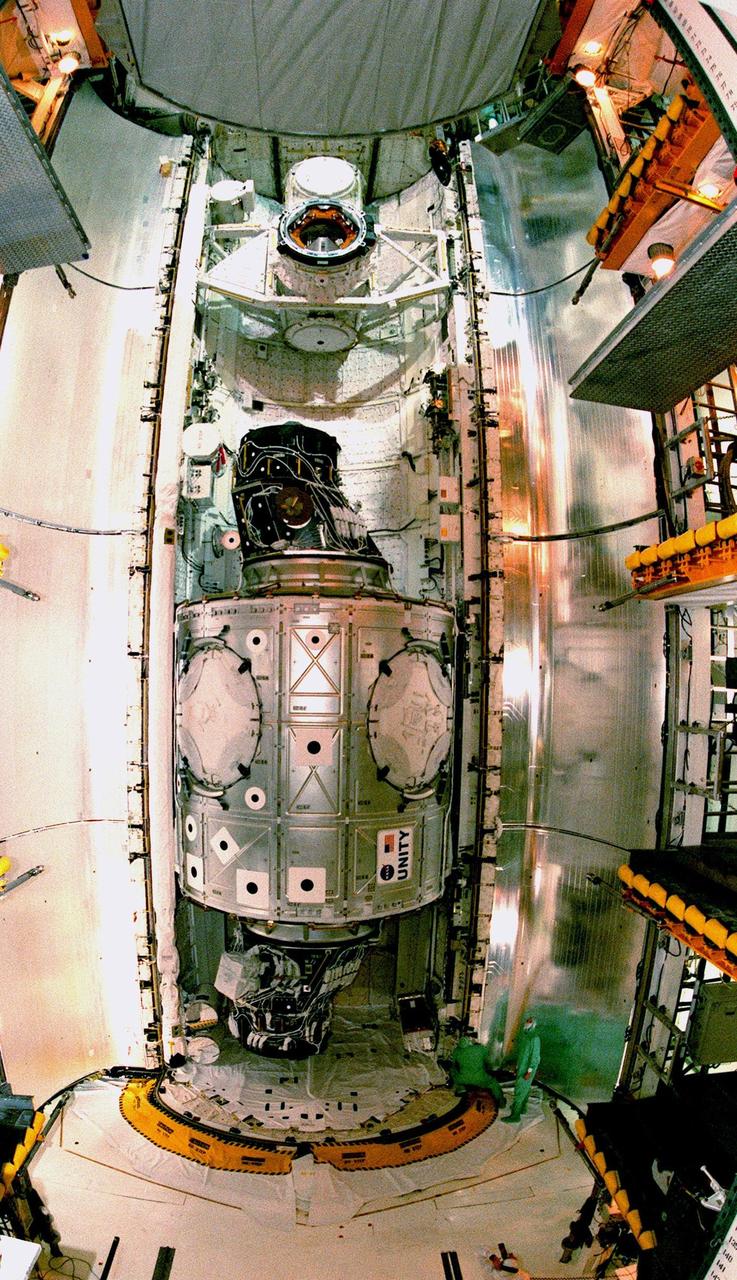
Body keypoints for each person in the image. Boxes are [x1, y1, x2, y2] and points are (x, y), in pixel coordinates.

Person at [502, 1016, 541, 1123]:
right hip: (522, 1066)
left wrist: (529, 1071)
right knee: (525, 1088)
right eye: (526, 1021)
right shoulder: (525, 1035)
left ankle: (515, 1116)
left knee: (519, 1090)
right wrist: (517, 1066)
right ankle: (522, 1108)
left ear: (533, 1024)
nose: (527, 1023)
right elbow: (522, 1054)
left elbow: (535, 1057)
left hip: (527, 1069)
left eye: (529, 1021)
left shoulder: (534, 1038)